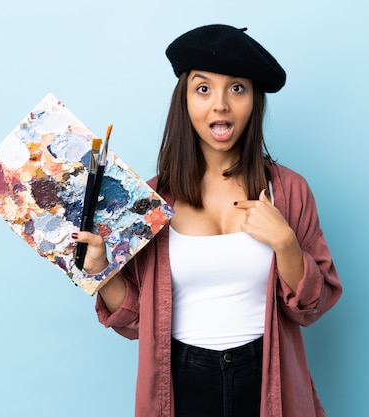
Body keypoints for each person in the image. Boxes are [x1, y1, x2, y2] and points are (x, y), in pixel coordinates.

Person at [72, 24, 343, 417]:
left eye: (237, 88)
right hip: (181, 382)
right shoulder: (150, 201)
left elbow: (311, 308)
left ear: (254, 101)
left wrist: (286, 243)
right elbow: (134, 321)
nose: (221, 105)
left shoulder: (289, 191)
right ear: (183, 101)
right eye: (203, 88)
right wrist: (100, 271)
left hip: (267, 377)